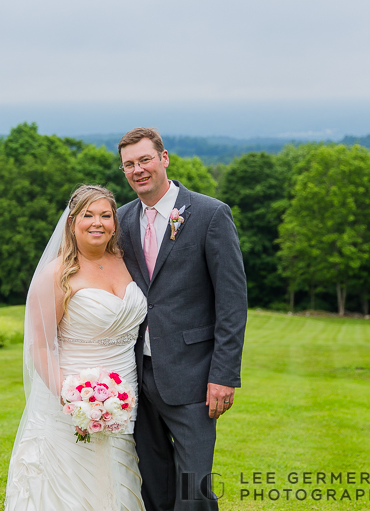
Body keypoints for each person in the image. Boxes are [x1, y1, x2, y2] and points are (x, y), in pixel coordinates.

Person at [117, 128, 247, 511]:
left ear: (164, 158)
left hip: (193, 375)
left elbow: (232, 302)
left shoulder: (210, 214)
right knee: (154, 486)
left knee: (194, 488)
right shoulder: (121, 219)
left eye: (145, 160)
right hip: (137, 374)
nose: (138, 170)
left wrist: (224, 375)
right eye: (129, 164)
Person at [5, 185, 148, 511]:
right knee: (66, 489)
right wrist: (71, 399)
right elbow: (40, 347)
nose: (97, 222)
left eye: (105, 215)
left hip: (124, 396)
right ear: (72, 222)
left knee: (116, 479)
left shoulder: (127, 263)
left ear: (115, 222)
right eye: (88, 215)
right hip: (69, 399)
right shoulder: (56, 274)